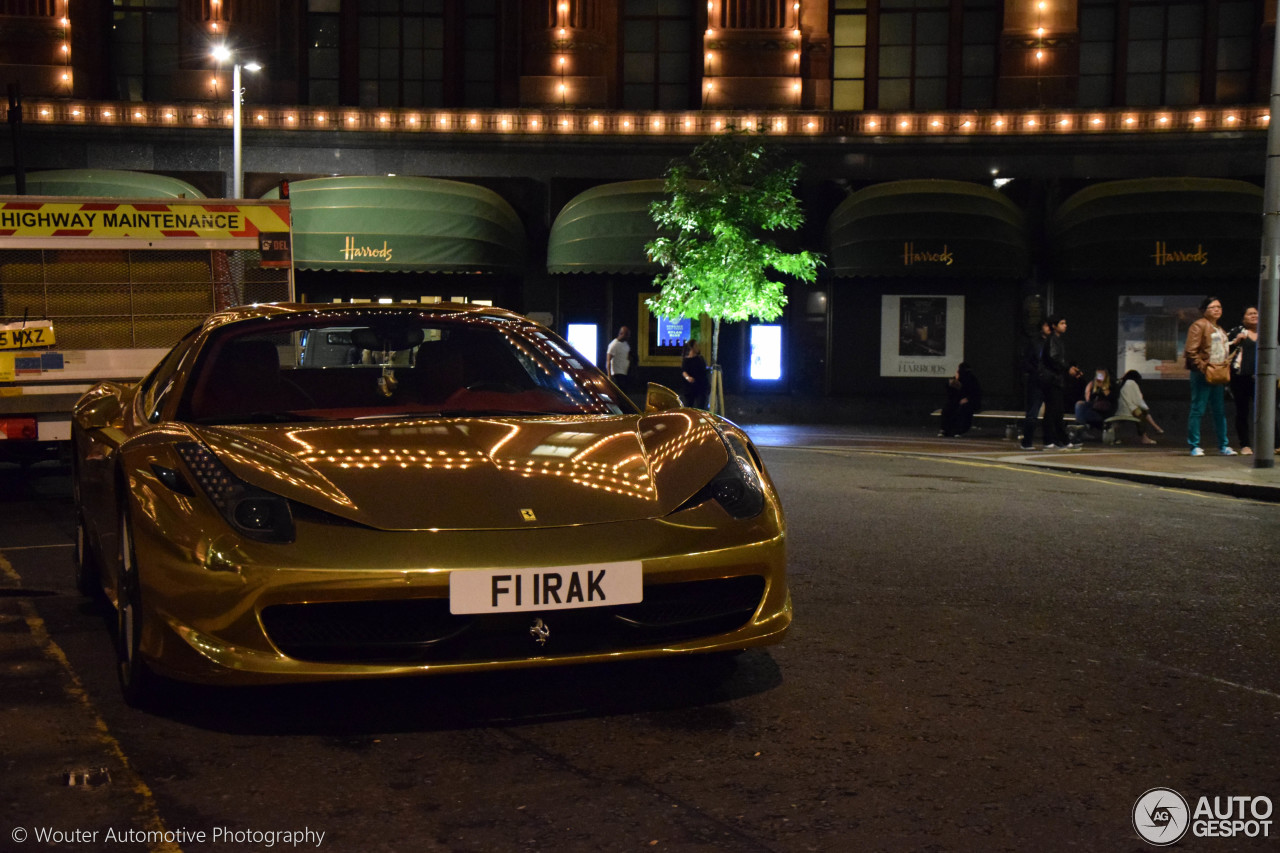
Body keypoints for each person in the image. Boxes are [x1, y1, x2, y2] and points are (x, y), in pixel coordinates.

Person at [1183, 296, 1236, 457]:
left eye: (1219, 307)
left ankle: (1223, 445)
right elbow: (1191, 351)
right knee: (1198, 408)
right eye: (1212, 307)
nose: (1217, 310)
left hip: (1218, 373)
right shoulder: (1199, 325)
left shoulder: (1219, 328)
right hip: (1203, 374)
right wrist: (1204, 368)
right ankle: (1194, 445)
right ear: (1204, 310)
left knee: (1219, 410)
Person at [1038, 315, 1084, 450]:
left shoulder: (1056, 340)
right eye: (1062, 323)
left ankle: (1057, 440)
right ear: (1054, 326)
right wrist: (1067, 369)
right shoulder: (1053, 340)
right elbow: (1054, 359)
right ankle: (1055, 440)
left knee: (1054, 411)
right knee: (1054, 411)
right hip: (1053, 380)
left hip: (1054, 379)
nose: (1065, 325)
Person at [1228, 306, 1259, 455]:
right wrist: (1235, 341)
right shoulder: (1237, 332)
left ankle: (1275, 443)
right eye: (1250, 314)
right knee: (1242, 411)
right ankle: (1245, 444)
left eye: (1256, 313)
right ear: (1243, 318)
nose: (1254, 316)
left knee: (1268, 411)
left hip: (1262, 379)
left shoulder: (1266, 332)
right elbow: (1223, 349)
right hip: (1241, 378)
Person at [1020, 318, 1051, 450]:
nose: (1049, 328)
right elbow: (1026, 361)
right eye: (1046, 325)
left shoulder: (1052, 341)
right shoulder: (1034, 342)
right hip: (1036, 380)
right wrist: (1036, 372)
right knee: (1033, 411)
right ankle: (1027, 441)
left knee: (1050, 413)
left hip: (1049, 380)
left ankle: (1049, 440)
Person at [1113, 370, 1163, 444]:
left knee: (1120, 423)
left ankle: (1156, 427)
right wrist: (1145, 407)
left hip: (1121, 409)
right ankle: (1148, 434)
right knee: (1143, 415)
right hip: (1129, 409)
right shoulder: (1131, 384)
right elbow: (1138, 399)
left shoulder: (1123, 383)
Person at [938, 362, 983, 437]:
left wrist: (968, 399)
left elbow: (976, 393)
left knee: (963, 409)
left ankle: (958, 430)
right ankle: (945, 429)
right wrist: (952, 384)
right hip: (958, 400)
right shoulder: (957, 378)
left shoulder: (972, 379)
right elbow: (952, 394)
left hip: (971, 402)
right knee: (948, 408)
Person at [1073, 368, 1115, 435]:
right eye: (1098, 374)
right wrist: (1089, 390)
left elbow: (1112, 399)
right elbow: (1090, 400)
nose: (1099, 377)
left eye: (1101, 374)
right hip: (1094, 408)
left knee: (1082, 414)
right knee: (1079, 404)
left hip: (1104, 412)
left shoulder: (1112, 384)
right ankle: (1081, 430)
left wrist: (1103, 387)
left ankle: (1081, 431)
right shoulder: (1095, 385)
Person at [680, 340, 710, 409]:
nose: (698, 347)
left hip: (701, 387)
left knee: (701, 407)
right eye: (696, 346)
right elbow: (684, 371)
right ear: (692, 348)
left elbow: (704, 371)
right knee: (689, 406)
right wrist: (688, 378)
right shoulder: (686, 360)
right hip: (690, 388)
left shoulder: (700, 359)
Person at [605, 326, 632, 391]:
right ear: (621, 334)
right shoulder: (614, 344)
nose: (628, 337)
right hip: (617, 374)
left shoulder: (625, 343)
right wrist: (609, 376)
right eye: (627, 335)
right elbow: (608, 361)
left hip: (624, 372)